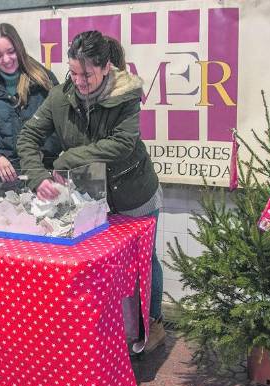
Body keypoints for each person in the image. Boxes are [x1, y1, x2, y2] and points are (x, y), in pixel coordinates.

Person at [17, 31, 167, 353]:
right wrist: (37, 176)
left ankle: (153, 322)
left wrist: (68, 158)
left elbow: (123, 144)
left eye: (87, 74)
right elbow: (28, 137)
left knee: (143, 262)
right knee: (106, 268)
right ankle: (113, 329)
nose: (80, 81)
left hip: (134, 194)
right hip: (93, 203)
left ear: (105, 67)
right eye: (74, 72)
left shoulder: (126, 94)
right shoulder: (60, 97)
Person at [0, 23, 61, 185]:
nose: (6, 60)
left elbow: (60, 125)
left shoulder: (44, 81)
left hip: (41, 174)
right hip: (1, 182)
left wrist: (42, 152)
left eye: (11, 52)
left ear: (19, 49)